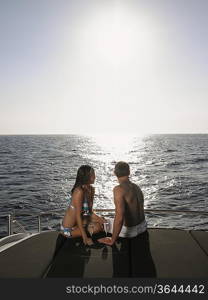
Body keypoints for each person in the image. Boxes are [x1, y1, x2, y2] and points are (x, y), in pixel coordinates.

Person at [98, 161, 147, 245]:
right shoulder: (136, 187)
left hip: (129, 231)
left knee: (100, 223)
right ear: (129, 172)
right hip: (143, 226)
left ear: (115, 173)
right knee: (106, 220)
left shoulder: (118, 190)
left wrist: (112, 240)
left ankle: (69, 232)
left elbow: (119, 217)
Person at [61, 165, 104, 246]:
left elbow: (89, 212)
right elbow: (78, 216)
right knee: (98, 227)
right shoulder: (79, 191)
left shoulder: (91, 189)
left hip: (80, 224)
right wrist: (85, 238)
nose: (95, 176)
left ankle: (84, 229)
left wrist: (100, 219)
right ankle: (82, 233)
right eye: (93, 174)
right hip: (67, 230)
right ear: (86, 176)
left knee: (102, 222)